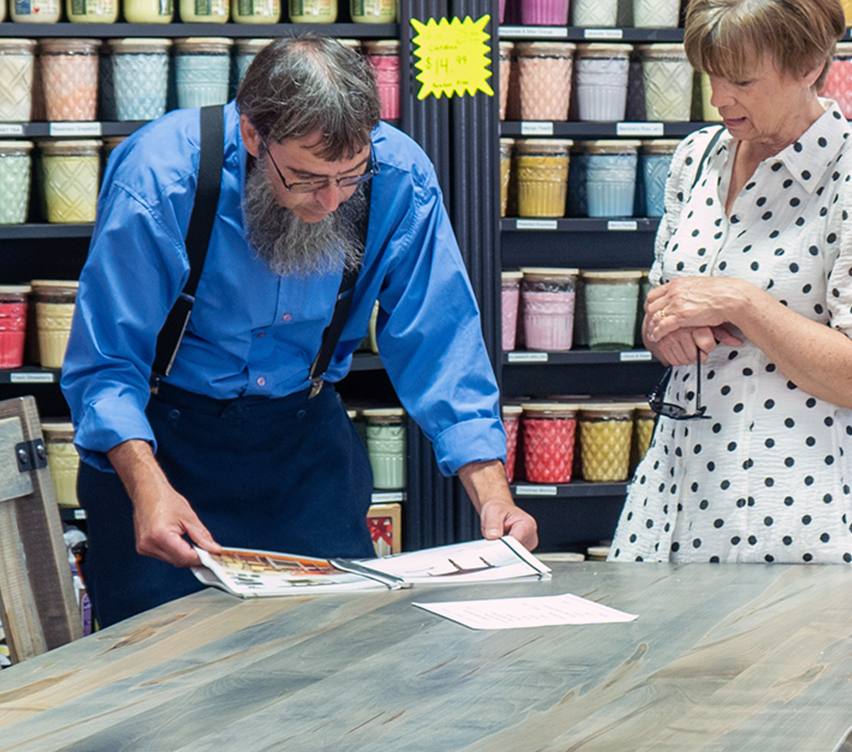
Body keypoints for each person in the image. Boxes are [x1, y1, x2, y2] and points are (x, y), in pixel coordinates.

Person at [62, 34, 537, 631]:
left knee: (336, 662)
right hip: (164, 446)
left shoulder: (400, 177)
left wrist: (492, 491)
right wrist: (146, 485)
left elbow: (441, 340)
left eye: (351, 176)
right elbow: (106, 361)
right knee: (158, 673)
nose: (333, 201)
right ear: (254, 134)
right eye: (309, 178)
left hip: (303, 448)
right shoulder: (164, 174)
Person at [610, 0, 852, 565]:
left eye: (742, 80)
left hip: (797, 519)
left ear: (808, 63)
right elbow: (670, 303)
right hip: (671, 498)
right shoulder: (696, 158)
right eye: (711, 76)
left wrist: (742, 302)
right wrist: (663, 328)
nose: (720, 98)